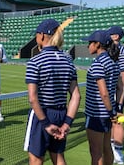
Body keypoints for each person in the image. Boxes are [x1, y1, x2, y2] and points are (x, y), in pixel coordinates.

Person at [23, 19, 81, 165]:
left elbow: (33, 98)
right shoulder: (68, 61)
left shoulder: (35, 62)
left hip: (41, 115)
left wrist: (46, 124)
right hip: (61, 115)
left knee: (36, 159)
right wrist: (67, 123)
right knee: (58, 156)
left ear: (42, 36)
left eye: (36, 35)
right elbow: (76, 96)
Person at [82, 30, 120, 165]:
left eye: (90, 43)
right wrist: (113, 111)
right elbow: (119, 87)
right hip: (107, 114)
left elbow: (103, 92)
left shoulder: (98, 63)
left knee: (96, 152)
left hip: (96, 114)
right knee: (106, 148)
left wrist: (110, 112)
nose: (88, 46)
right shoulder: (112, 62)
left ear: (97, 44)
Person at [107, 26, 124, 165]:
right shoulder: (114, 50)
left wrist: (123, 94)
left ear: (116, 36)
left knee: (117, 121)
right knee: (114, 121)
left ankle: (118, 155)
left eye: (110, 35)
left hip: (116, 92)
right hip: (117, 92)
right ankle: (114, 149)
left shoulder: (120, 52)